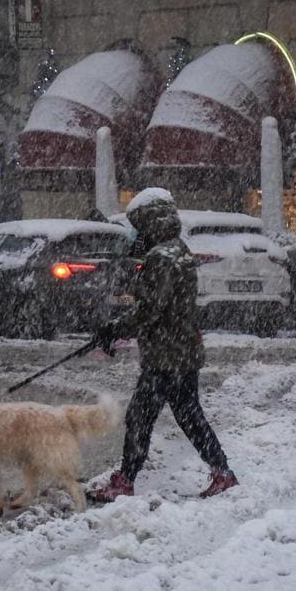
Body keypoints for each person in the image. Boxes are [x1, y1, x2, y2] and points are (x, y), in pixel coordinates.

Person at [87, 188, 238, 502]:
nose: (137, 235)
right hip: (183, 350)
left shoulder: (161, 257)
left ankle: (125, 481)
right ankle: (222, 472)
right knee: (188, 415)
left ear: (150, 223)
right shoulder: (179, 249)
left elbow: (150, 308)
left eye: (139, 228)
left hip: (166, 356)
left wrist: (114, 329)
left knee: (140, 418)